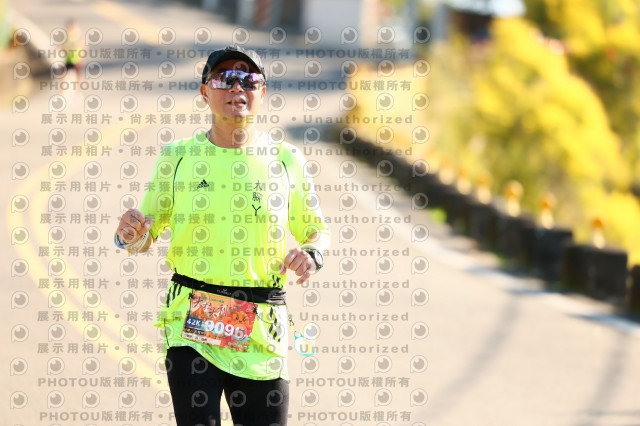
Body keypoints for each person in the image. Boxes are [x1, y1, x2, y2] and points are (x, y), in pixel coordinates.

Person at [114, 45, 331, 426]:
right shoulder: (178, 156)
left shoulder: (286, 160)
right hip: (193, 321)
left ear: (262, 92)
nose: (237, 88)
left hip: (261, 326)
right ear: (205, 91)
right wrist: (129, 235)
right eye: (224, 79)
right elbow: (146, 232)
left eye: (249, 80)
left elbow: (316, 230)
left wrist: (311, 254)